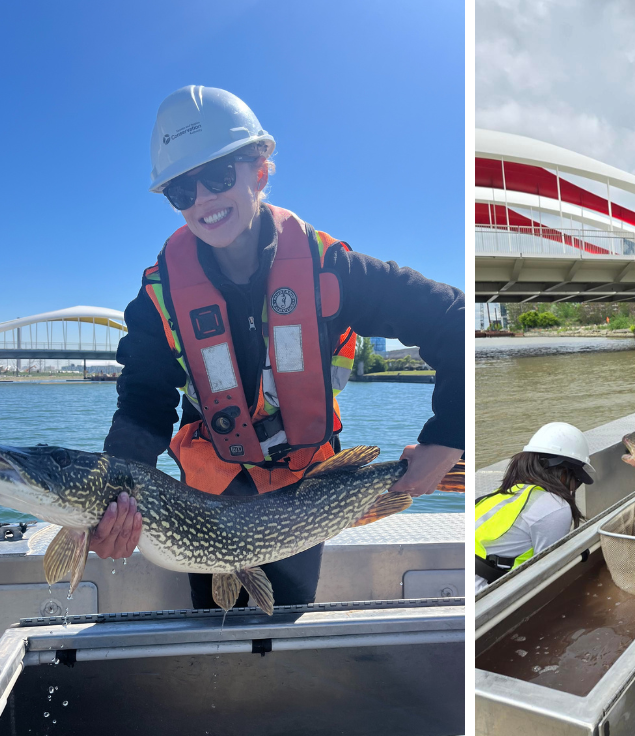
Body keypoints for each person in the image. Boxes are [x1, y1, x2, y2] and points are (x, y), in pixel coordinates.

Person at [90, 86, 465, 608]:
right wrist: (116, 500)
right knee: (213, 634)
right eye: (181, 191)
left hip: (305, 496)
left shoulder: (330, 267)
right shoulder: (159, 294)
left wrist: (447, 438)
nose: (202, 200)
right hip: (205, 502)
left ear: (260, 170)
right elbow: (142, 402)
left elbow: (455, 319)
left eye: (218, 176)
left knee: (284, 621)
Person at [474, 423, 595, 593]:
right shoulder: (555, 507)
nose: (575, 486)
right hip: (481, 599)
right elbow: (548, 575)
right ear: (564, 471)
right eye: (578, 479)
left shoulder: (502, 495)